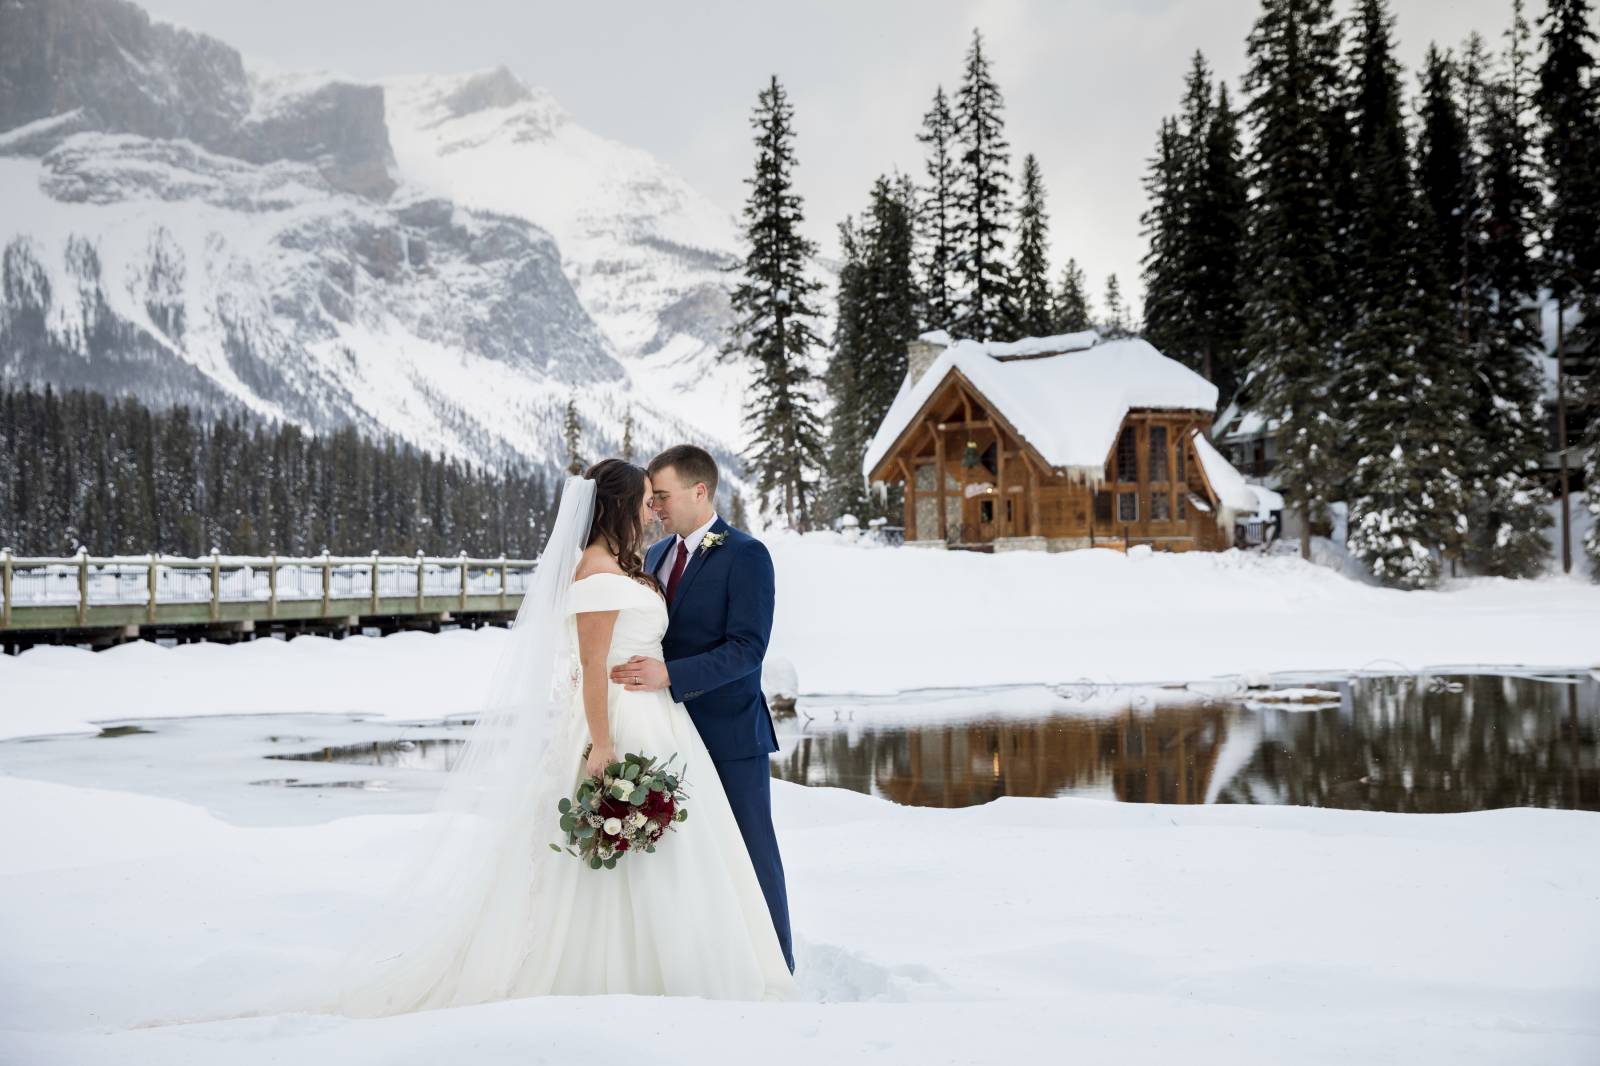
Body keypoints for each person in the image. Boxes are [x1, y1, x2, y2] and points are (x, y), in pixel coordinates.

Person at [610, 444, 795, 975]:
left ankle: (777, 964)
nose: (656, 507)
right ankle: (707, 962)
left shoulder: (746, 554)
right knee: (686, 857)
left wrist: (672, 675)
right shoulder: (654, 557)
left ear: (700, 491)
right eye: (652, 498)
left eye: (662, 496)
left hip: (730, 733)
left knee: (751, 850)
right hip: (665, 731)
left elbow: (747, 648)